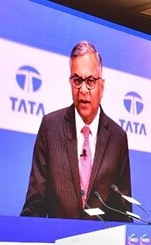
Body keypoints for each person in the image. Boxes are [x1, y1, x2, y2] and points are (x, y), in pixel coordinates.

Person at [21, 40, 132, 221]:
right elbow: (34, 205)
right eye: (77, 81)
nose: (83, 90)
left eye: (90, 81)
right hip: (58, 238)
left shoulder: (118, 138)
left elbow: (124, 214)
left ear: (102, 86)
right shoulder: (50, 127)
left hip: (102, 240)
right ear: (70, 82)